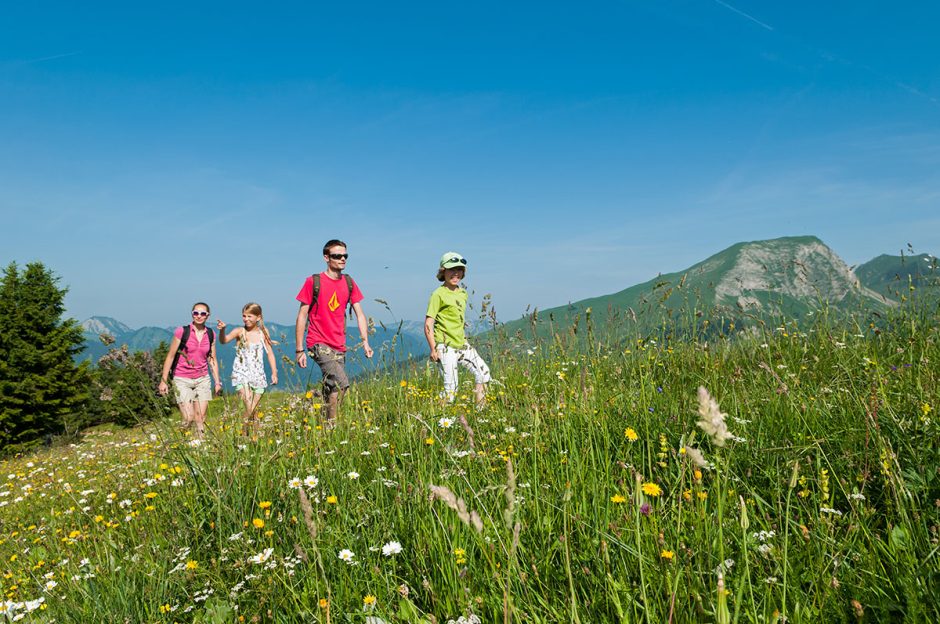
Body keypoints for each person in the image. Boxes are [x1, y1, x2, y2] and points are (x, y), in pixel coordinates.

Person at [295, 239, 373, 426]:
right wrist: (299, 350)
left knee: (332, 388)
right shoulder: (313, 281)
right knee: (342, 383)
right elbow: (302, 315)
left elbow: (360, 314)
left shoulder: (349, 282)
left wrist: (365, 342)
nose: (342, 259)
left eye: (345, 255)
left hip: (339, 344)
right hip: (318, 342)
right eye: (337, 256)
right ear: (326, 258)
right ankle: (331, 425)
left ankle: (321, 420)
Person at [425, 252, 491, 407]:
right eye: (451, 269)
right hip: (445, 347)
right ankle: (436, 420)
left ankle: (481, 413)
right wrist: (433, 349)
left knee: (484, 374)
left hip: (462, 344)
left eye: (459, 269)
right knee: (451, 391)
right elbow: (428, 323)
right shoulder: (438, 294)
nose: (455, 273)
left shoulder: (463, 293)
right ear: (443, 272)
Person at [158, 302, 222, 438]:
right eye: (196, 313)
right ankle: (181, 440)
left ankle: (201, 448)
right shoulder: (182, 331)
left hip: (203, 378)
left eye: (203, 313)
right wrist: (163, 381)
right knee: (188, 417)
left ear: (208, 316)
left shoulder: (211, 334)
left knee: (200, 418)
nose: (199, 316)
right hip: (181, 378)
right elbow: (170, 356)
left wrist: (217, 382)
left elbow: (212, 359)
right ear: (192, 314)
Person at [217, 303, 278, 436]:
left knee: (254, 410)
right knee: (249, 406)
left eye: (249, 316)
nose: (246, 319)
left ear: (258, 317)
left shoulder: (263, 333)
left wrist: (274, 372)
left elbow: (270, 353)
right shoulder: (240, 331)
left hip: (258, 375)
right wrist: (222, 330)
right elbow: (224, 340)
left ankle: (253, 437)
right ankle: (244, 436)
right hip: (241, 374)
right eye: (244, 316)